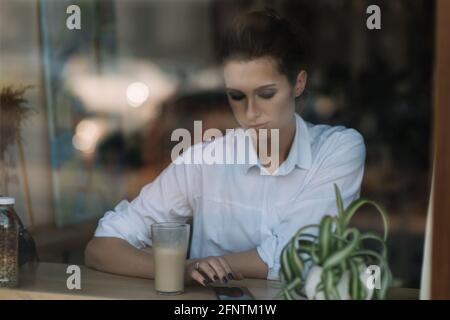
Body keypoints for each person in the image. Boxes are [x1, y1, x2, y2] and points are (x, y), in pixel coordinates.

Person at [85, 8, 366, 287]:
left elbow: (294, 255)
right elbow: (102, 247)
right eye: (237, 96)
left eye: (266, 94)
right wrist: (183, 269)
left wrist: (209, 267)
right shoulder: (203, 160)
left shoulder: (338, 149)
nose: (251, 111)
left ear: (298, 84)